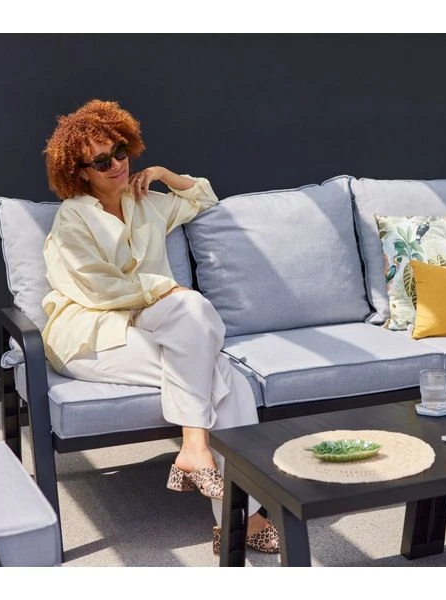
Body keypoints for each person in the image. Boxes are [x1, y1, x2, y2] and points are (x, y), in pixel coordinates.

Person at [41, 98, 279, 555]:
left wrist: (165, 175)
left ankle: (194, 454)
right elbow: (97, 288)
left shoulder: (147, 201)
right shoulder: (72, 217)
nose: (116, 165)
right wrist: (165, 288)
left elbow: (203, 197)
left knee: (193, 310)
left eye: (120, 152)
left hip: (146, 321)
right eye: (101, 161)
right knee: (224, 376)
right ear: (80, 173)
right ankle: (240, 517)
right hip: (90, 334)